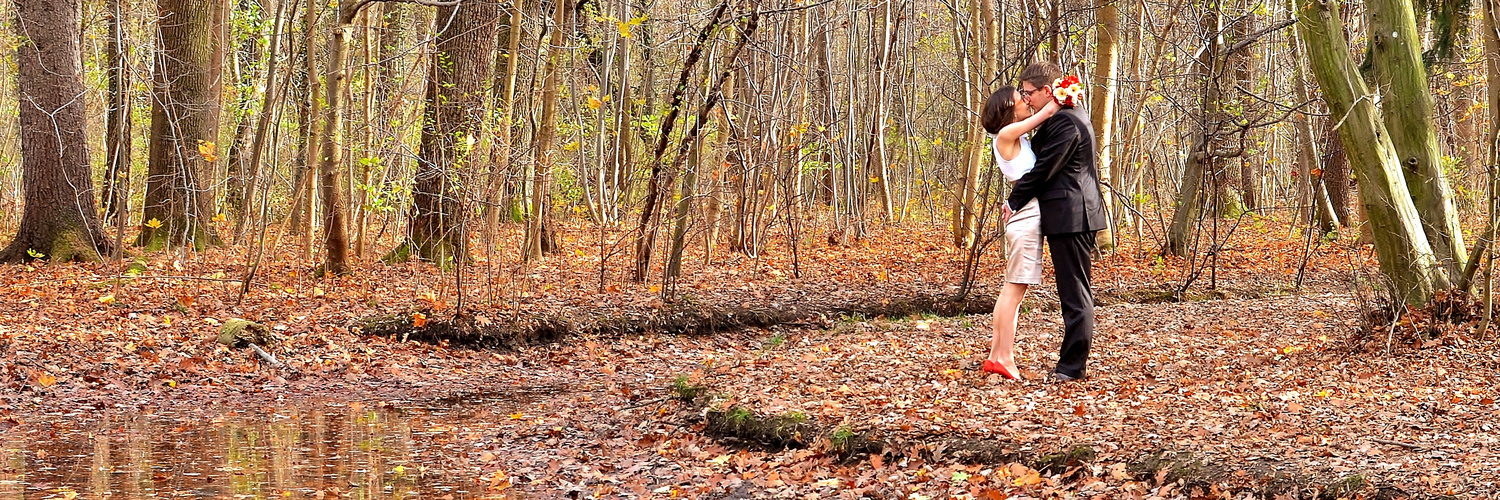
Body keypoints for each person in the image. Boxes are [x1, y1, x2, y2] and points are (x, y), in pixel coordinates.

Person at [1000, 62, 1108, 382]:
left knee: (1075, 295)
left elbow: (1045, 167)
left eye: (1028, 92)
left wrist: (1013, 201)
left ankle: (1071, 368)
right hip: (1067, 214)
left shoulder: (1066, 122)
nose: (1025, 98)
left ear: (1047, 91)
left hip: (1073, 215)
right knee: (1072, 292)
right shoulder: (1062, 117)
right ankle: (1070, 366)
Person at [978, 86, 1060, 380]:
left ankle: (995, 355)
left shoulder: (1018, 137)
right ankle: (1005, 358)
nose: (1027, 102)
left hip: (1024, 212)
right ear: (1008, 109)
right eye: (1020, 98)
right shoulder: (1006, 135)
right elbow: (1048, 111)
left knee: (1011, 290)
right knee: (1014, 292)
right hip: (1025, 217)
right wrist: (1063, 95)